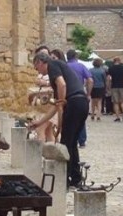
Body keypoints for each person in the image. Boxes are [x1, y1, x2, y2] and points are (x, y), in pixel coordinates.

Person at [28, 52, 88, 187]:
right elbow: (56, 106)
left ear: (40, 62)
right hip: (81, 102)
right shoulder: (59, 66)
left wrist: (61, 102)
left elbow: (62, 85)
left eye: (37, 68)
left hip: (73, 102)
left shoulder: (53, 65)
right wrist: (40, 122)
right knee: (71, 143)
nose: (39, 72)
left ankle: (64, 179)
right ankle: (76, 178)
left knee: (65, 143)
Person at [66, 49, 92, 147]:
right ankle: (82, 140)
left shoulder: (65, 66)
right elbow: (90, 79)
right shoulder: (81, 66)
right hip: (80, 93)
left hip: (68, 94)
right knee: (81, 118)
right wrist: (88, 93)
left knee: (68, 118)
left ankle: (71, 140)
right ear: (76, 57)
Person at [107, 56, 123, 121]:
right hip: (122, 86)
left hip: (114, 87)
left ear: (113, 61)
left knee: (115, 102)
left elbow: (108, 78)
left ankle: (117, 117)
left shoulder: (111, 68)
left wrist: (108, 86)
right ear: (119, 61)